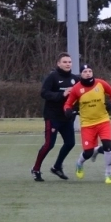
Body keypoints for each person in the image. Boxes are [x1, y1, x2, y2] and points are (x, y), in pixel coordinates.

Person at [63, 63, 111, 183]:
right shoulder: (76, 88)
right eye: (85, 72)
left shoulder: (101, 83)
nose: (88, 73)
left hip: (103, 121)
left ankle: (108, 174)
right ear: (81, 74)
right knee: (88, 152)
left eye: (89, 71)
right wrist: (67, 110)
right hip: (87, 124)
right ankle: (79, 163)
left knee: (107, 146)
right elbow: (68, 104)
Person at [31, 52, 77, 181]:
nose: (67, 64)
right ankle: (36, 169)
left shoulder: (75, 79)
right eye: (65, 62)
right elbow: (44, 93)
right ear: (58, 63)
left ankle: (57, 167)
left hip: (67, 118)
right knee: (49, 145)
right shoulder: (52, 77)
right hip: (53, 117)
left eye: (69, 62)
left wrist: (75, 110)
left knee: (70, 143)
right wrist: (61, 94)